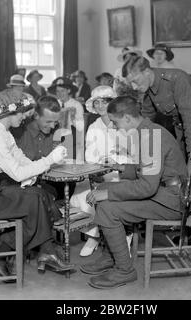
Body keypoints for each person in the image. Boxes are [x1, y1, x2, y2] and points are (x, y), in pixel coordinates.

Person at [80, 96, 191, 289]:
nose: (115, 128)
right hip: (166, 191)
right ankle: (113, 255)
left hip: (172, 201)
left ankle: (124, 271)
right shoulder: (147, 131)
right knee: (102, 190)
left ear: (127, 118)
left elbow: (147, 187)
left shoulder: (150, 138)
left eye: (116, 123)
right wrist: (121, 168)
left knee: (109, 208)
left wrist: (109, 194)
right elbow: (147, 170)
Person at [0, 92, 75, 277]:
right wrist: (50, 160)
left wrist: (35, 170)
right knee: (34, 201)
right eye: (21, 113)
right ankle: (43, 252)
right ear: (7, 113)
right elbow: (17, 174)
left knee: (37, 194)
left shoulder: (1, 131)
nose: (25, 116)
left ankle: (18, 257)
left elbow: (19, 157)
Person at [69, 86, 133, 257]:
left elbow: (131, 151)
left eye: (104, 102)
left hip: (121, 167)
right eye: (96, 102)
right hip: (99, 168)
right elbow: (89, 152)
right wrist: (99, 162)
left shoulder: (122, 122)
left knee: (114, 188)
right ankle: (94, 235)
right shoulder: (94, 126)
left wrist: (114, 159)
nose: (99, 106)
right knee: (83, 188)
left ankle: (123, 235)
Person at [122, 56, 191, 162]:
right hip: (182, 124)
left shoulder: (177, 78)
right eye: (131, 83)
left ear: (147, 71)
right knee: (181, 165)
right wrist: (133, 143)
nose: (134, 87)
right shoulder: (148, 86)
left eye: (135, 81)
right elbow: (146, 117)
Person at [14, 96, 75, 201]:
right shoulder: (19, 131)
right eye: (48, 122)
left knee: (70, 186)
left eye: (55, 122)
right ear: (36, 115)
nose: (52, 126)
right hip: (22, 183)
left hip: (48, 181)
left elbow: (62, 160)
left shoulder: (57, 131)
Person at [48, 77, 85, 160]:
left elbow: (81, 127)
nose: (60, 94)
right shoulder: (54, 104)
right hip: (55, 139)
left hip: (71, 140)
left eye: (62, 91)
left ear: (68, 91)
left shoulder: (76, 105)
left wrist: (72, 118)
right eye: (57, 91)